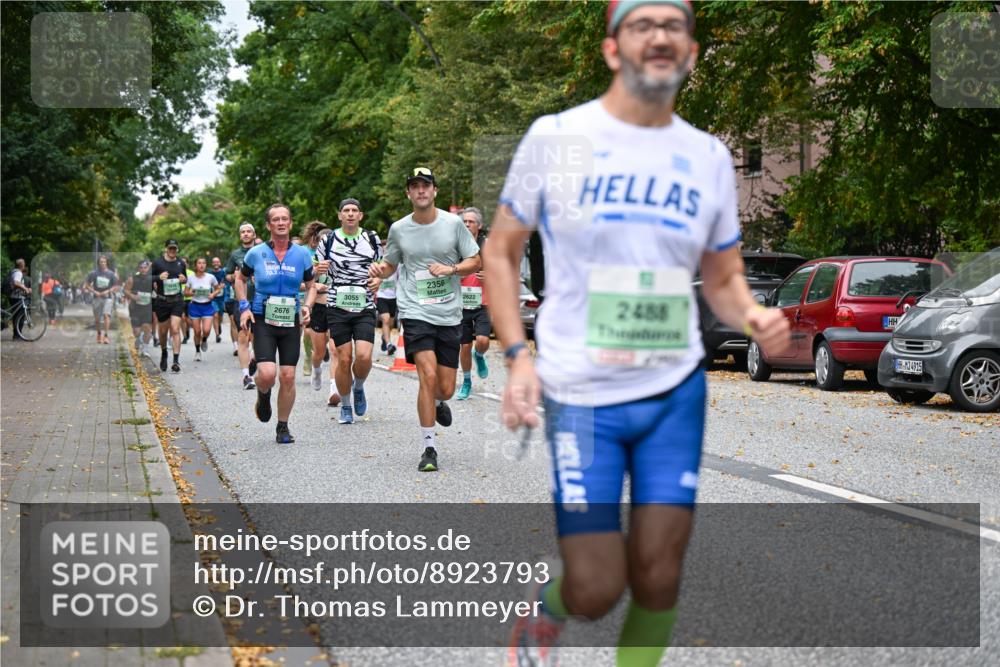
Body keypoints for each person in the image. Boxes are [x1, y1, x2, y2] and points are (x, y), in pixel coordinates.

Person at [483, 2, 793, 666]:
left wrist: (753, 315)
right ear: (611, 49)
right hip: (579, 392)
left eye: (673, 25)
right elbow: (501, 251)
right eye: (641, 23)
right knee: (597, 585)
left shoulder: (707, 155)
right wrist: (516, 356)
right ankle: (548, 604)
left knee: (658, 570)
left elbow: (722, 275)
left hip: (671, 390)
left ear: (691, 52)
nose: (659, 35)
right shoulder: (556, 137)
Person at [369, 168, 482, 471]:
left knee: (444, 388)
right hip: (415, 312)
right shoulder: (399, 229)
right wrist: (381, 273)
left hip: (449, 314)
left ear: (434, 191)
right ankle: (429, 448)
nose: (420, 191)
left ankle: (438, 402)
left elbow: (476, 260)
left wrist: (452, 270)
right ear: (408, 193)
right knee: (426, 377)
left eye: (425, 186)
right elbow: (391, 264)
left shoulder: (453, 224)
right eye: (414, 186)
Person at [236, 203, 316, 444]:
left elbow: (311, 285)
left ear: (290, 224)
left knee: (288, 376)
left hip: (290, 319)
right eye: (276, 219)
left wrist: (307, 306)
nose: (281, 223)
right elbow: (240, 280)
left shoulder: (302, 254)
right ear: (269, 225)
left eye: (285, 219)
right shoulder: (256, 253)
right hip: (263, 318)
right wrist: (244, 307)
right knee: (268, 374)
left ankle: (282, 426)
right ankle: (263, 393)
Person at [317, 199, 382, 425]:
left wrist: (378, 280)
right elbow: (316, 274)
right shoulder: (328, 240)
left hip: (364, 305)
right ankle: (346, 406)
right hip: (337, 306)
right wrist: (317, 270)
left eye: (355, 211)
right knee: (344, 359)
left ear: (361, 215)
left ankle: (359, 387)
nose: (351, 214)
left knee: (363, 356)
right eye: (346, 211)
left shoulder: (372, 239)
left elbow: (382, 269)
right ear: (340, 215)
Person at [301, 222, 341, 405]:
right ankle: (316, 369)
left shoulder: (343, 258)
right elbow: (300, 284)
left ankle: (334, 390)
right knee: (318, 352)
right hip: (318, 308)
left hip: (338, 307)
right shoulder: (311, 260)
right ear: (318, 242)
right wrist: (315, 281)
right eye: (324, 241)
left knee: (335, 350)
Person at [456, 206, 492, 400]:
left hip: (483, 303)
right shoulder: (455, 246)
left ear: (479, 225)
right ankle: (467, 381)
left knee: (483, 341)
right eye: (464, 221)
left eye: (471, 222)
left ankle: (480, 356)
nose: (467, 224)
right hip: (461, 305)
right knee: (464, 347)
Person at [224, 223, 259, 389]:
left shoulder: (263, 251)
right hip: (242, 300)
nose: (245, 234)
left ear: (254, 234)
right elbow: (228, 275)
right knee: (243, 336)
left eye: (248, 231)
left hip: (261, 299)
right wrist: (236, 276)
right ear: (240, 236)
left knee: (259, 338)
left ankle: (254, 358)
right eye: (243, 232)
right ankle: (246, 376)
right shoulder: (235, 254)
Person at [151, 240, 188, 372]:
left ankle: (176, 361)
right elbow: (148, 278)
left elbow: (185, 278)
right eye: (170, 248)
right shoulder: (157, 263)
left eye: (175, 248)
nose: (172, 251)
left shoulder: (180, 263)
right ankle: (164, 352)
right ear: (166, 248)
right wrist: (158, 277)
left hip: (177, 300)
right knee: (162, 332)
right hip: (162, 301)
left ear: (177, 249)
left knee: (175, 328)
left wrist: (184, 279)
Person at [185, 257, 221, 361]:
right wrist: (192, 293)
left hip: (207, 306)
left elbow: (218, 288)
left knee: (206, 330)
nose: (201, 265)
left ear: (206, 265)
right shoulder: (191, 278)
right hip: (195, 306)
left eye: (204, 263)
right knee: (197, 332)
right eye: (199, 263)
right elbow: (185, 292)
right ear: (196, 265)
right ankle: (197, 351)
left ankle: (204, 340)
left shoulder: (211, 277)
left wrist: (213, 294)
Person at [85, 255, 118, 344]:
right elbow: (87, 285)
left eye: (104, 262)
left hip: (108, 298)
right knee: (97, 319)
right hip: (97, 298)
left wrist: (107, 291)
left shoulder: (111, 274)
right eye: (101, 262)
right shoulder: (94, 273)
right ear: (98, 263)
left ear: (106, 263)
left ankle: (106, 336)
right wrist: (94, 291)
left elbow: (115, 286)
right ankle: (99, 334)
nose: (103, 263)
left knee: (106, 315)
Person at [124, 260, 154, 356]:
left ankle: (145, 349)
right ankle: (139, 337)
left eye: (145, 267)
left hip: (148, 308)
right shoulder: (132, 279)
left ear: (148, 268)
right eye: (141, 267)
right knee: (136, 331)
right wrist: (132, 296)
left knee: (147, 329)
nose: (143, 269)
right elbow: (125, 290)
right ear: (138, 269)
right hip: (135, 308)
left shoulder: (152, 279)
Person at [375, 240, 399, 357]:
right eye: (382, 249)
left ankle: (385, 337)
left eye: (386, 249)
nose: (384, 252)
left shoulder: (395, 263)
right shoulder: (377, 263)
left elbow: (400, 278)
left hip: (393, 297)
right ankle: (389, 344)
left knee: (390, 322)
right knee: (385, 319)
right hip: (381, 296)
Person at [6, 259, 32, 340]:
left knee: (16, 316)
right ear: (21, 265)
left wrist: (25, 288)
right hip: (17, 297)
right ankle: (18, 336)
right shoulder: (18, 272)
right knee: (20, 317)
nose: (24, 265)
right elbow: (16, 282)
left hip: (13, 296)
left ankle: (16, 335)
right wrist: (26, 288)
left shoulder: (13, 271)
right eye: (23, 264)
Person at [210, 256, 227, 343]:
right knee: (215, 315)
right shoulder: (209, 273)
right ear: (212, 264)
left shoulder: (223, 272)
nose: (216, 263)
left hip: (222, 297)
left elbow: (226, 281)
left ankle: (219, 325)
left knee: (220, 315)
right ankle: (217, 335)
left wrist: (223, 285)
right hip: (213, 298)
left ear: (219, 263)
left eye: (217, 262)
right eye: (214, 262)